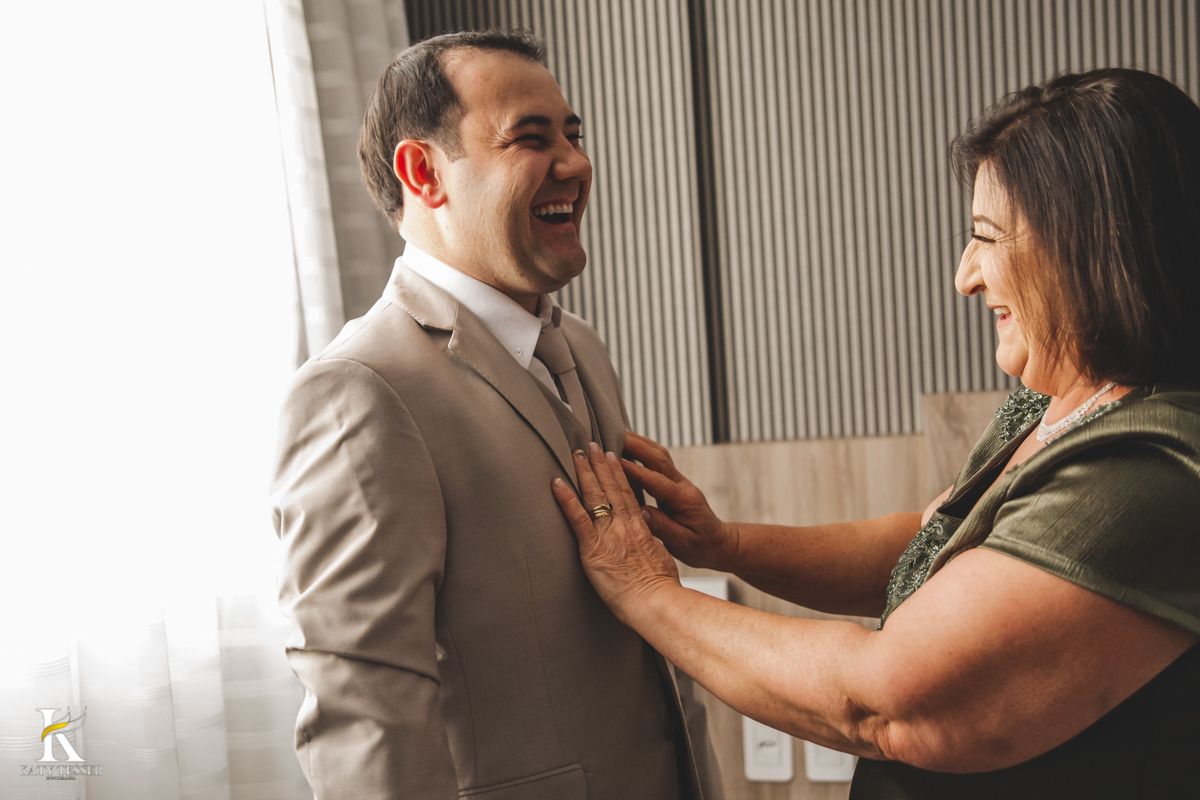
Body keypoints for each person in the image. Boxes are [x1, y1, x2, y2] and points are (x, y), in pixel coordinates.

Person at [552, 68, 1200, 798]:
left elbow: (887, 702)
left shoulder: (1154, 465)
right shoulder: (1057, 401)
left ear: (1091, 246)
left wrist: (647, 593)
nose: (965, 276)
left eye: (986, 239)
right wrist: (725, 545)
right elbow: (927, 541)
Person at [271, 30, 722, 800]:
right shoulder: (358, 390)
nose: (576, 164)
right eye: (531, 138)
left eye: (575, 135)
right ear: (423, 172)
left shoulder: (582, 345)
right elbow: (365, 721)